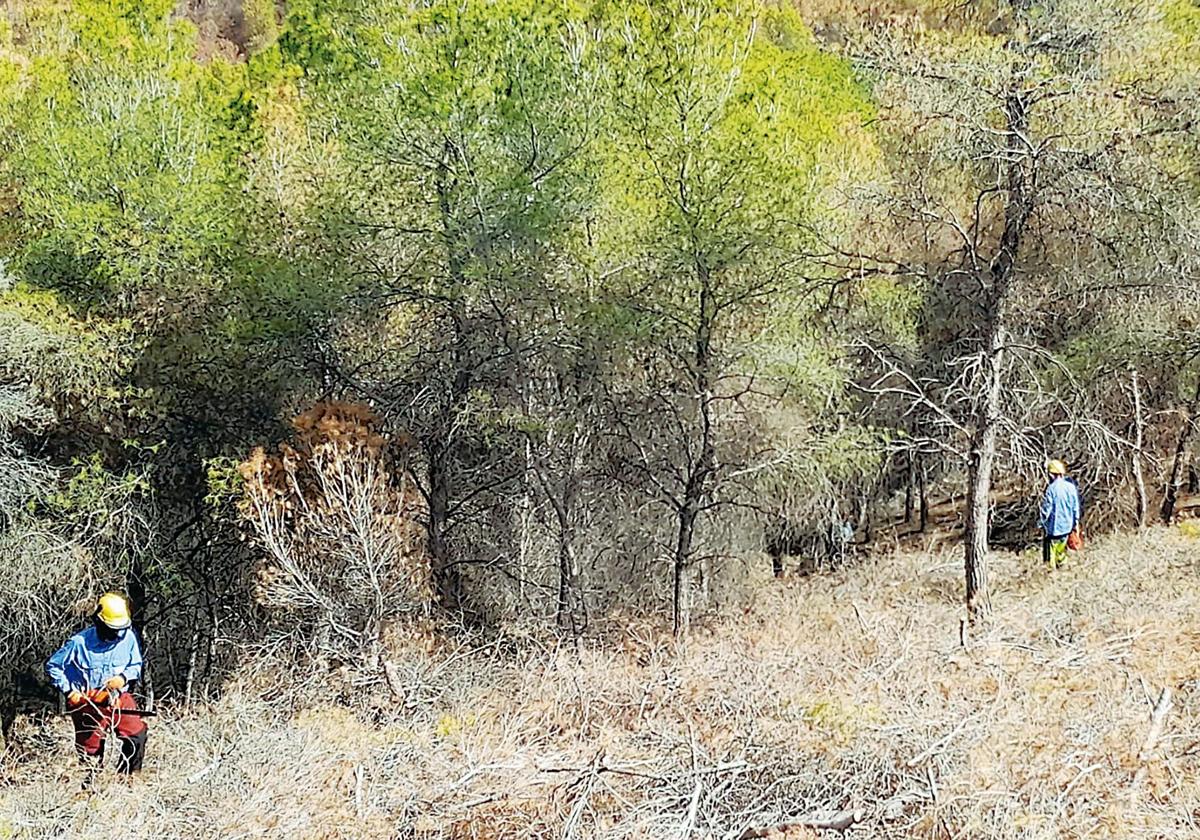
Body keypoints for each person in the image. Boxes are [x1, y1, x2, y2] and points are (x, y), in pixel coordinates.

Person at [45, 592, 148, 775]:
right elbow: (53, 666)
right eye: (113, 629)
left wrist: (123, 678)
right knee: (90, 750)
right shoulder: (78, 643)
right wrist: (70, 692)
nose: (118, 634)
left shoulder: (129, 637)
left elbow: (136, 664)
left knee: (137, 735)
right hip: (86, 700)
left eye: (120, 628)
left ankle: (128, 779)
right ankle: (90, 788)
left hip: (117, 697)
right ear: (99, 622)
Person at [1039, 460, 1081, 570]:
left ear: (1051, 474)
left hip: (1054, 529)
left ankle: (1051, 575)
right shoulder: (1071, 487)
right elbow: (1075, 508)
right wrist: (1076, 524)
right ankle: (1062, 569)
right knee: (1062, 552)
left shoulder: (1051, 489)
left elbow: (1046, 510)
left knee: (1050, 555)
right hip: (1067, 528)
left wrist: (1040, 523)